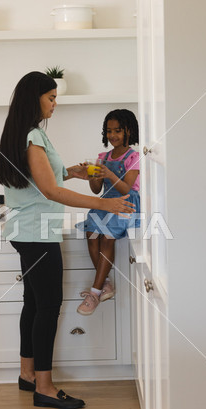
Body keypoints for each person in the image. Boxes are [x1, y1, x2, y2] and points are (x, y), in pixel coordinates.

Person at [0, 72, 135, 409]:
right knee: (46, 307)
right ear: (36, 99)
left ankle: (27, 375)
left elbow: (42, 178)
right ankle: (45, 387)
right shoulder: (33, 136)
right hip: (37, 233)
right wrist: (105, 203)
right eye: (52, 98)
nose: (55, 104)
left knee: (33, 303)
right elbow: (50, 191)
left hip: (24, 231)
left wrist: (72, 171)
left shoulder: (22, 134)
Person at [75, 109, 140, 316]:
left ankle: (94, 292)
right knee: (91, 234)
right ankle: (106, 284)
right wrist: (92, 175)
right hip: (106, 202)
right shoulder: (102, 157)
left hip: (125, 202)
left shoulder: (135, 157)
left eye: (118, 131)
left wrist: (109, 173)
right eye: (109, 131)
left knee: (108, 237)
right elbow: (96, 190)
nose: (112, 135)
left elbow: (126, 189)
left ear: (129, 130)